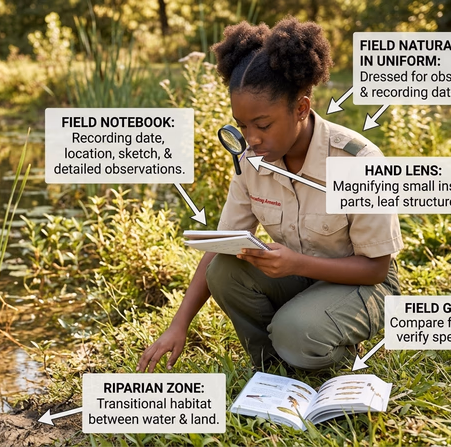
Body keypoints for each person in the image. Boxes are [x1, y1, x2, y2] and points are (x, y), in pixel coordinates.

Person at [137, 17, 402, 372]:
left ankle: (324, 348)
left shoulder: (358, 161)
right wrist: (178, 326)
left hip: (365, 286)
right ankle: (272, 362)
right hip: (303, 280)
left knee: (298, 331)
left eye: (262, 125)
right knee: (224, 269)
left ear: (301, 109)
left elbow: (375, 269)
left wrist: (297, 264)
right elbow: (219, 245)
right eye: (243, 125)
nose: (252, 138)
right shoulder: (252, 162)